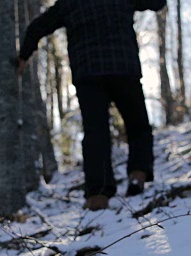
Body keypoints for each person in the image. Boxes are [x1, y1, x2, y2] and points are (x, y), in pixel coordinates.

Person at [17, 0, 166, 211]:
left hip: (88, 73)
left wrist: (24, 55)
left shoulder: (69, 4)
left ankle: (98, 194)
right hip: (123, 66)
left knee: (96, 133)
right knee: (137, 125)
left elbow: (38, 26)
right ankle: (138, 173)